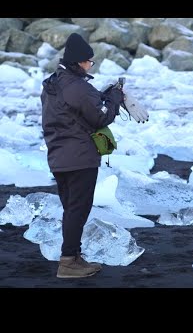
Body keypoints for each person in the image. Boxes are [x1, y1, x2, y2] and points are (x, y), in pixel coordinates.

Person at [41, 33, 124, 278]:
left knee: (71, 208)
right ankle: (68, 262)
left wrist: (102, 97)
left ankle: (74, 257)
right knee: (78, 209)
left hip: (58, 155)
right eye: (89, 61)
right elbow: (100, 117)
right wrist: (115, 100)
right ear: (78, 62)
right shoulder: (76, 85)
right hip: (79, 157)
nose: (90, 65)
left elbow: (74, 112)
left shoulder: (52, 84)